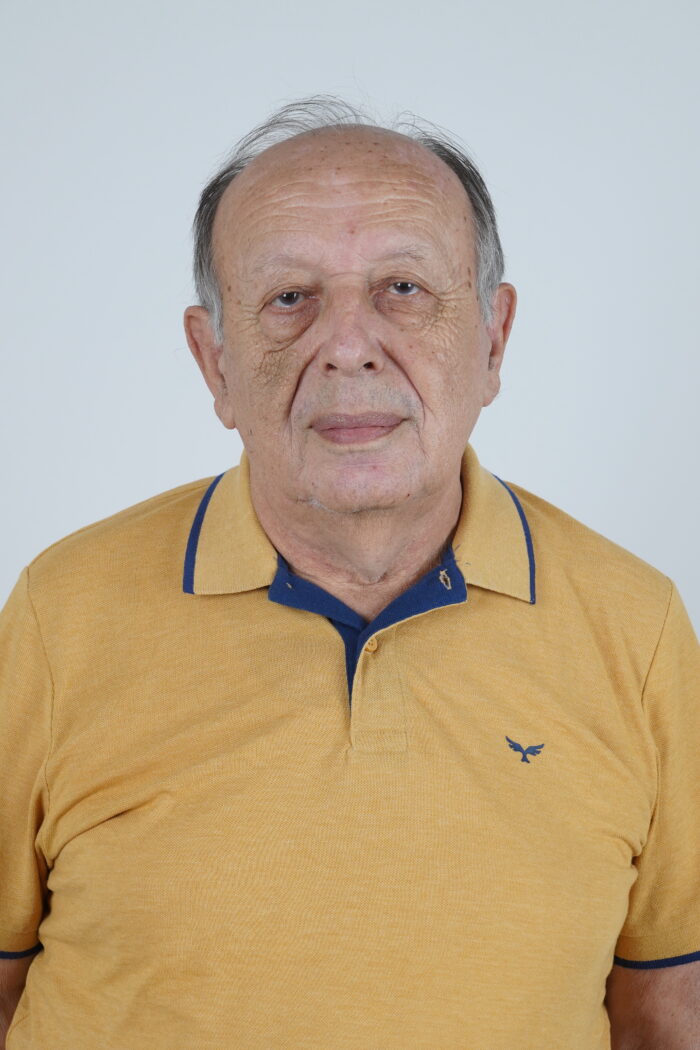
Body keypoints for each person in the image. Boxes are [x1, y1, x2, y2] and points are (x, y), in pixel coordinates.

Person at [0, 96, 698, 1050]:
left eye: (403, 288)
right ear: (213, 361)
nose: (348, 346)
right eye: (289, 298)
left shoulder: (638, 629)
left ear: (494, 338)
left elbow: (666, 1014)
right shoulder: (60, 616)